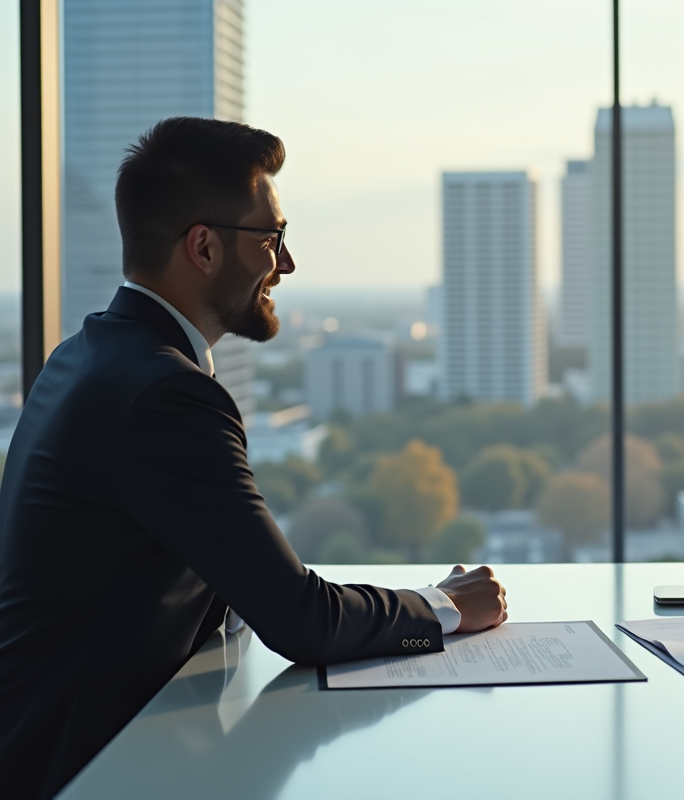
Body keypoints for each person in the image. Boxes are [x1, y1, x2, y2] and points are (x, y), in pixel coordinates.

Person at [0, 117, 508, 799]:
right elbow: (301, 621)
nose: (286, 264)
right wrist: (442, 606)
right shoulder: (164, 393)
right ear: (204, 247)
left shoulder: (87, 357)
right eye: (271, 238)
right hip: (89, 773)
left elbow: (208, 574)